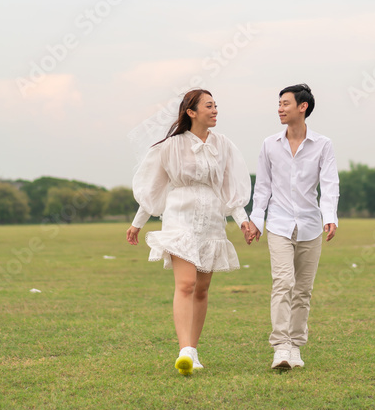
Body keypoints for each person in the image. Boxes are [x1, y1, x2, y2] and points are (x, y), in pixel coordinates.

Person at [126, 89, 253, 375]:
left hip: (211, 220)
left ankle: (193, 351)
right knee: (185, 284)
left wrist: (242, 219)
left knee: (202, 289)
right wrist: (138, 223)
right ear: (191, 112)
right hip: (179, 218)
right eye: (209, 106)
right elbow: (154, 187)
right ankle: (184, 350)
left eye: (216, 105)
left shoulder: (225, 145)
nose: (215, 110)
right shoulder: (170, 147)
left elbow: (230, 187)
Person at [247, 84, 339, 370]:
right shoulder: (269, 145)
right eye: (278, 103)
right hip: (278, 223)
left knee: (303, 290)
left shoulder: (323, 144)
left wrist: (330, 216)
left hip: (311, 225)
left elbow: (329, 183)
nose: (280, 108)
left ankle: (296, 345)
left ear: (303, 107)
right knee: (283, 282)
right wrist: (256, 219)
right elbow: (262, 186)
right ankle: (281, 347)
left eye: (285, 103)